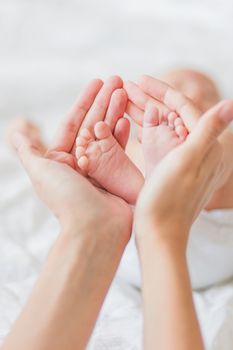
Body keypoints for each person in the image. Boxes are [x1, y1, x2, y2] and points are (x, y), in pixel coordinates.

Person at [3, 74, 233, 349]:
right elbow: (49, 155)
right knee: (209, 154)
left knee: (221, 152)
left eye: (208, 94)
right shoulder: (138, 141)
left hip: (148, 243)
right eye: (180, 85)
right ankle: (152, 178)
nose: (195, 93)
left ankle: (159, 176)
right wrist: (31, 140)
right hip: (143, 239)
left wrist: (24, 142)